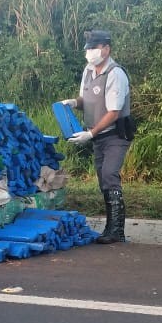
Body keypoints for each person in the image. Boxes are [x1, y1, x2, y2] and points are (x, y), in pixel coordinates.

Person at [61, 29, 133, 244]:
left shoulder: (115, 74)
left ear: (106, 48)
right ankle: (110, 227)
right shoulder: (89, 70)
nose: (90, 53)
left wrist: (90, 133)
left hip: (115, 134)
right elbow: (86, 99)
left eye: (94, 48)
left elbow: (113, 112)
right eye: (88, 49)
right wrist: (74, 103)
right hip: (97, 137)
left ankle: (117, 230)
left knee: (110, 174)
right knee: (103, 179)